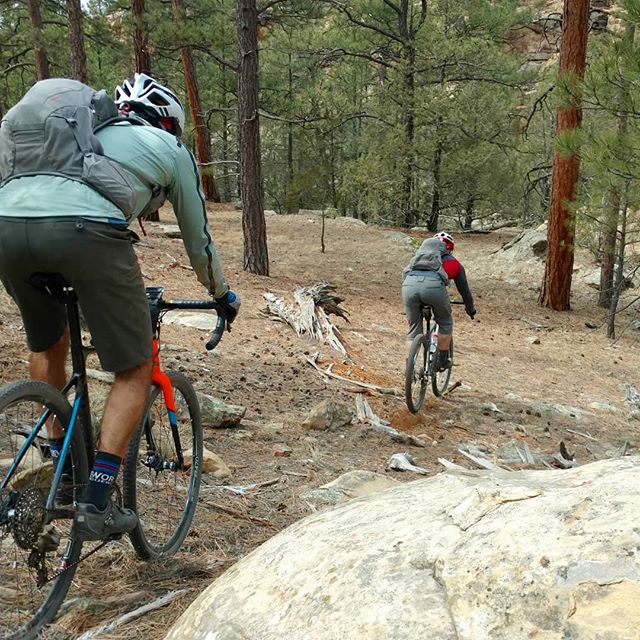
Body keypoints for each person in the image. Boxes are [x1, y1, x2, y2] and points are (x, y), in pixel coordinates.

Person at [0, 74, 240, 541]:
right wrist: (220, 294)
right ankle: (96, 498)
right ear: (168, 122)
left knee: (50, 344)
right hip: (86, 234)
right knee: (134, 368)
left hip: (6, 229)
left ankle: (62, 465)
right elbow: (199, 241)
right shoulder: (168, 148)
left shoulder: (69, 135)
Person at [402, 231, 475, 371]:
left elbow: (406, 276)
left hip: (408, 286)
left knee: (414, 329)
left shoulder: (418, 258)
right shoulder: (454, 263)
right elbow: (465, 292)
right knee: (445, 322)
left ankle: (409, 368)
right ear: (450, 248)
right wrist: (470, 309)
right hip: (433, 288)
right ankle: (441, 361)